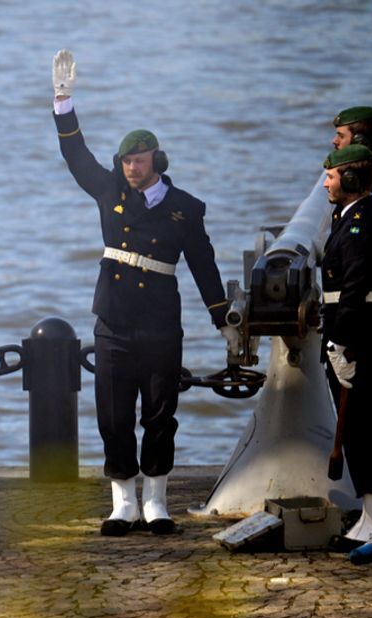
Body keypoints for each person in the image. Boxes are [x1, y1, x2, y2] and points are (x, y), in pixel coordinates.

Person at [50, 49, 233, 537]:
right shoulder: (109, 191)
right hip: (112, 320)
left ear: (158, 160)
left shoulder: (185, 209)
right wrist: (63, 102)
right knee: (113, 414)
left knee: (159, 414)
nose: (131, 167)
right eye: (126, 160)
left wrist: (223, 317)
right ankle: (122, 503)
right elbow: (75, 155)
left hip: (159, 322)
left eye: (139, 160)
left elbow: (203, 265)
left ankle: (156, 501)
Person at [319, 144, 372, 546]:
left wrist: (340, 343)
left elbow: (356, 284)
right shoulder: (354, 216)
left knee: (363, 430)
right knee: (361, 429)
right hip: (355, 333)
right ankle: (371, 517)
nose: (325, 181)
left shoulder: (359, 221)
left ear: (351, 181)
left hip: (357, 338)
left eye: (332, 175)